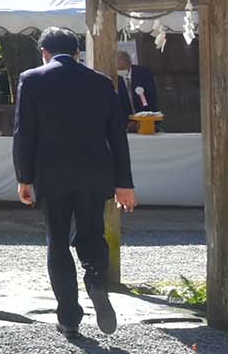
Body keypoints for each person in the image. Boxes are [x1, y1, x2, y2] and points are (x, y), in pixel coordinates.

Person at [13, 27, 136, 338]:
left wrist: (23, 178)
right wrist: (124, 183)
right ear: (78, 52)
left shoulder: (32, 79)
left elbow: (24, 133)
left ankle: (69, 317)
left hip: (51, 173)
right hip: (95, 172)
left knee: (57, 241)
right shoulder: (101, 82)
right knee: (92, 232)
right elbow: (117, 136)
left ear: (44, 52)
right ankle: (96, 280)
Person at [115, 51, 158, 119]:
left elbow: (150, 98)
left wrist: (141, 118)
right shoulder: (115, 78)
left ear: (126, 61)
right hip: (126, 121)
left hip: (146, 117)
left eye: (116, 60)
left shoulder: (143, 74)